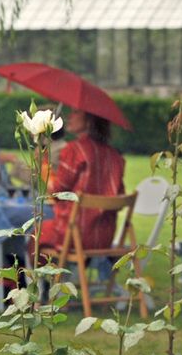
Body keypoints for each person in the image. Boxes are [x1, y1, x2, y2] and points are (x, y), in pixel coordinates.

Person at [36, 109, 126, 256]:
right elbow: (119, 197)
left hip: (73, 235)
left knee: (35, 235)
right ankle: (69, 275)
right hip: (104, 237)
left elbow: (57, 192)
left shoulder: (75, 150)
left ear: (90, 120)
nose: (69, 116)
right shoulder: (115, 156)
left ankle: (41, 279)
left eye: (76, 113)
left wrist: (43, 167)